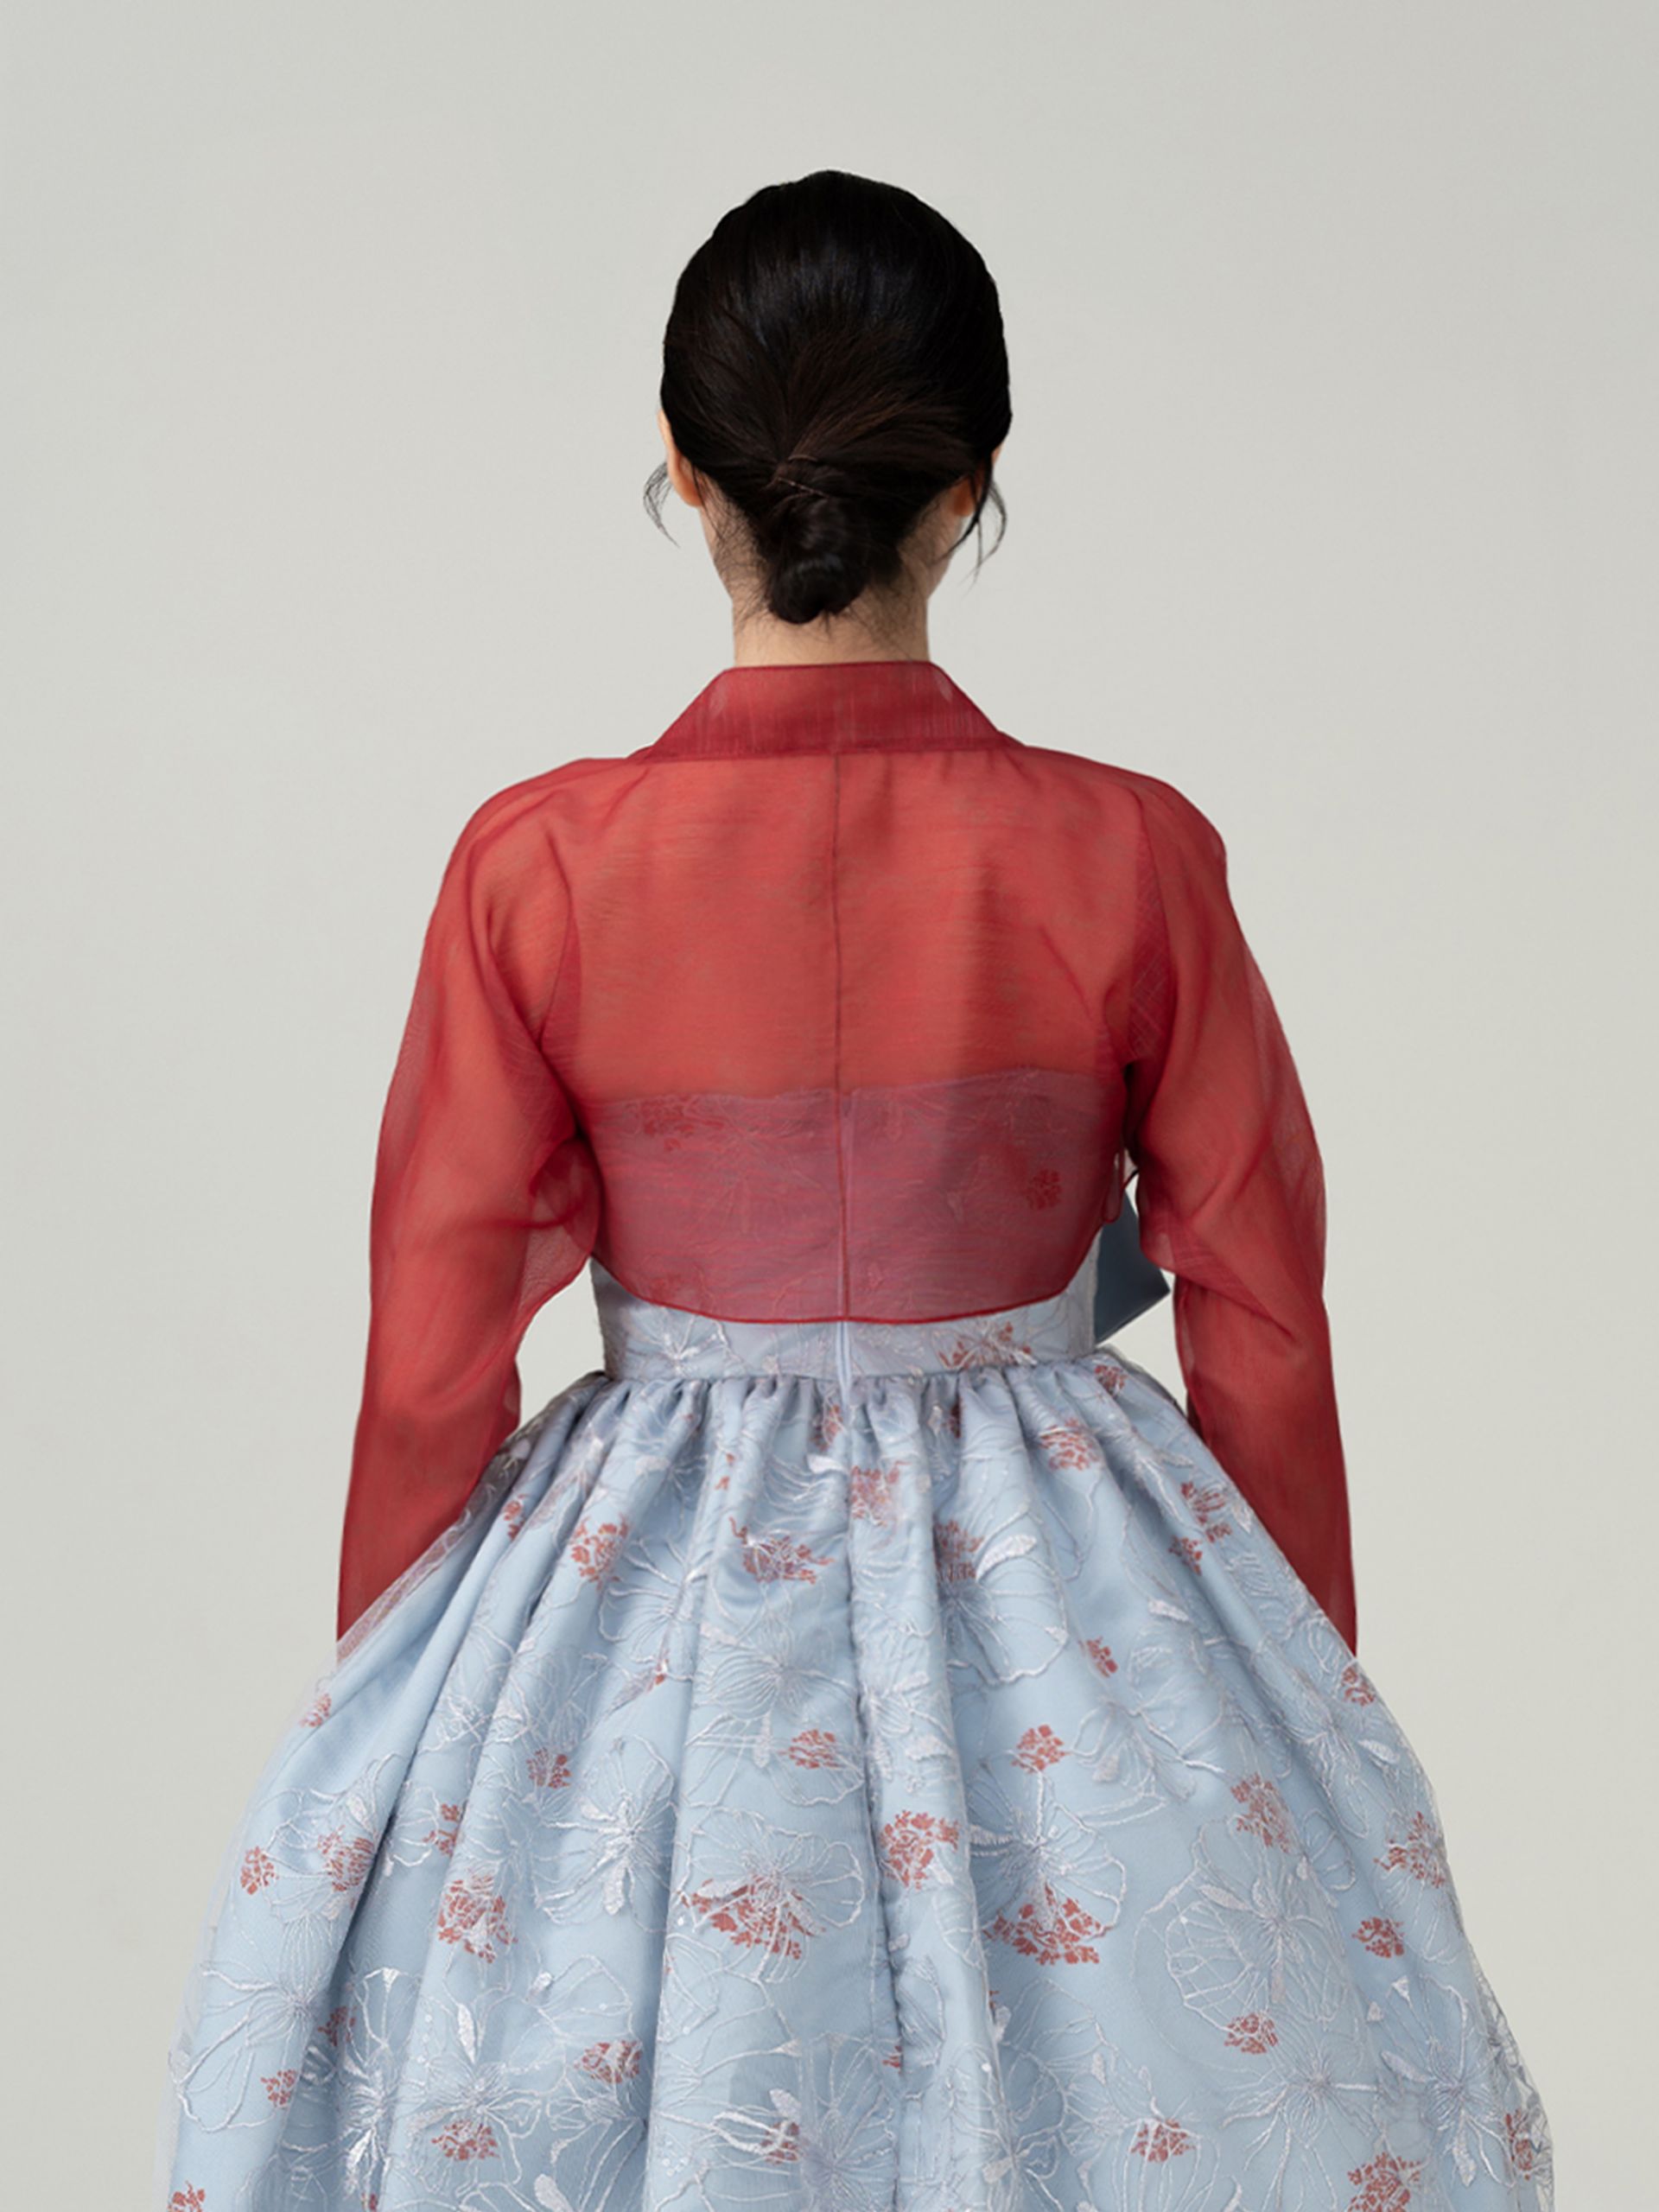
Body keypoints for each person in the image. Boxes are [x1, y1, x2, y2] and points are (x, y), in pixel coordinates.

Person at [156, 169, 1553, 2212]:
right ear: (969, 484)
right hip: (1072, 1573)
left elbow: (434, 1345)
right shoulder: (1130, 853)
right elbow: (1259, 1305)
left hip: (645, 1586)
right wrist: (1290, 1681)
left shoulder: (541, 864)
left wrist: (391, 1685)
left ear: (684, 466)